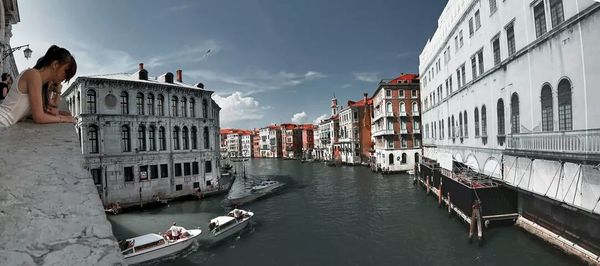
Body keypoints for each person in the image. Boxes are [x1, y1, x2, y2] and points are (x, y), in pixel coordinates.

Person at [0, 45, 77, 127]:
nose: (65, 78)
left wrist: (60, 114)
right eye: (66, 72)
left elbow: (41, 112)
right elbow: (39, 117)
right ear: (55, 64)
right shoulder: (34, 75)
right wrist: (65, 119)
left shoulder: (40, 82)